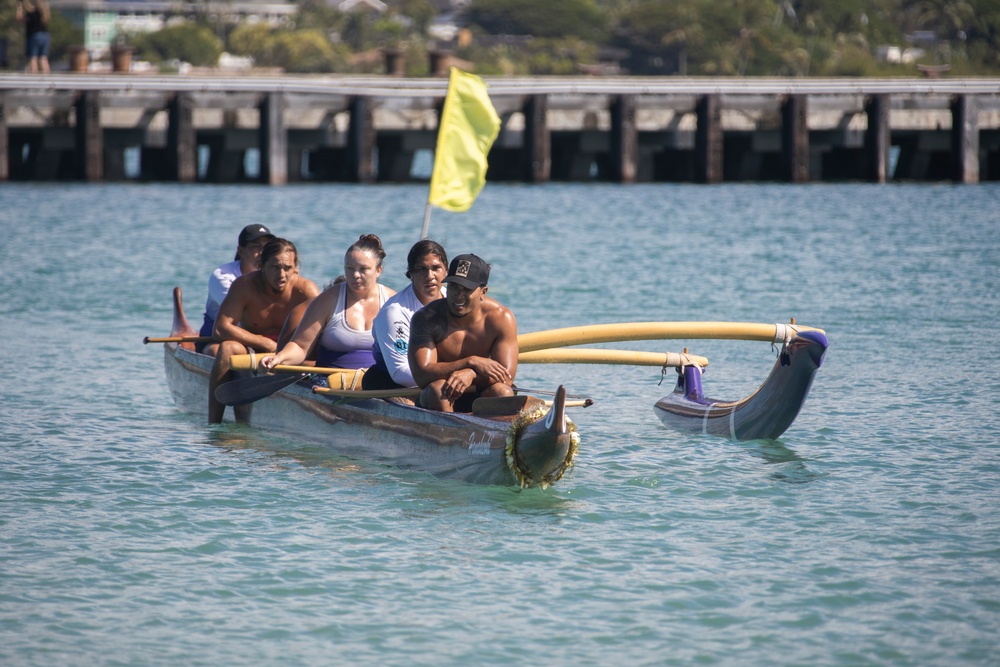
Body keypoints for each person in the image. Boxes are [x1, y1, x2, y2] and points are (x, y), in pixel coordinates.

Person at [208, 237, 320, 423]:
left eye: (287, 268)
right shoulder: (244, 286)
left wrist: (284, 354)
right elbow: (220, 329)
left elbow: (325, 331)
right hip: (254, 349)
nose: (282, 274)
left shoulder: (306, 290)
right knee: (227, 348)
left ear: (296, 268)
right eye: (275, 267)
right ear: (261, 265)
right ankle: (213, 424)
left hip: (290, 355)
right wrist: (266, 343)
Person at [261, 234, 395, 373]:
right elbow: (300, 347)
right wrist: (279, 358)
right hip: (330, 383)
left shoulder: (393, 302)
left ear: (378, 270)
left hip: (378, 383)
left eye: (363, 269)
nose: (355, 274)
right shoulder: (327, 300)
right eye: (349, 268)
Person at [408, 254, 518, 412]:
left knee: (503, 392)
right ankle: (448, 435)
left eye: (466, 289)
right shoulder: (426, 318)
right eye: (453, 287)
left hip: (481, 393)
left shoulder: (501, 318)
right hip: (439, 395)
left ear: (483, 292)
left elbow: (506, 378)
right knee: (439, 390)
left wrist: (471, 373)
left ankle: (499, 434)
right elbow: (421, 376)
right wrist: (469, 362)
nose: (457, 296)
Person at [362, 240, 448, 391]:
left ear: (446, 271)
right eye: (421, 269)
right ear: (411, 274)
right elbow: (399, 372)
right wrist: (452, 378)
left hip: (441, 378)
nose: (430, 276)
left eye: (436, 268)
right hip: (393, 384)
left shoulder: (455, 302)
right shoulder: (394, 312)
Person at [198, 224, 275, 355]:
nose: (262, 252)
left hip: (265, 337)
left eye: (266, 247)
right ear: (241, 251)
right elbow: (245, 314)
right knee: (219, 351)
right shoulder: (222, 276)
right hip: (221, 339)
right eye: (256, 246)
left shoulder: (277, 273)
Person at [16, 0, 50, 74]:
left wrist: (19, 8)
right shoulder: (45, 13)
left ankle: (33, 76)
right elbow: (29, 7)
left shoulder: (32, 13)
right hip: (45, 36)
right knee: (43, 58)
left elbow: (20, 19)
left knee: (33, 58)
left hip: (34, 36)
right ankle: (47, 77)